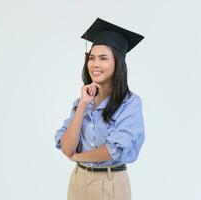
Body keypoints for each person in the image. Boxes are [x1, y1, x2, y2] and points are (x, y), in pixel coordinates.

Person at [54, 17, 145, 200]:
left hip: (111, 182)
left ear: (117, 63)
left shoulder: (129, 103)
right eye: (92, 58)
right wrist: (82, 106)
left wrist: (77, 157)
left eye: (103, 58)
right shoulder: (81, 102)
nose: (95, 64)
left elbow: (113, 150)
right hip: (78, 179)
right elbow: (66, 147)